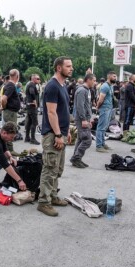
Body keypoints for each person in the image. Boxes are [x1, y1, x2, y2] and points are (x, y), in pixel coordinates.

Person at [37, 56, 73, 217]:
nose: (71, 68)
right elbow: (51, 112)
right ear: (59, 68)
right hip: (53, 135)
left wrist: (67, 132)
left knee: (57, 169)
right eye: (68, 66)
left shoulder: (62, 85)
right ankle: (44, 202)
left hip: (61, 134)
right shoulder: (52, 86)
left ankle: (52, 195)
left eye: (71, 66)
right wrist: (58, 134)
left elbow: (62, 112)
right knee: (50, 169)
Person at [70, 73, 95, 168]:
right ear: (88, 80)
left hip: (85, 118)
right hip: (81, 119)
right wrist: (84, 119)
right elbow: (80, 106)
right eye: (93, 80)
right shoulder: (81, 90)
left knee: (81, 139)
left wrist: (90, 118)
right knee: (87, 140)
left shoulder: (86, 90)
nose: (94, 82)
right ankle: (76, 158)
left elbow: (86, 105)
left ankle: (76, 158)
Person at [0, 69, 21, 154]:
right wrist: (4, 107)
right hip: (10, 112)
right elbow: (3, 98)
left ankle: (7, 149)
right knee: (11, 130)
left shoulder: (9, 85)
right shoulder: (11, 85)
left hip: (10, 111)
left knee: (9, 129)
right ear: (17, 76)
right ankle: (10, 150)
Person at [95, 71, 116, 152]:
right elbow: (100, 99)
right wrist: (97, 107)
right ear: (109, 77)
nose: (115, 78)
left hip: (109, 108)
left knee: (104, 127)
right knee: (101, 127)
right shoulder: (105, 86)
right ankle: (99, 146)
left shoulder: (111, 86)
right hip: (104, 109)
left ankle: (103, 144)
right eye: (114, 76)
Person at [24, 74, 40, 145]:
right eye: (37, 78)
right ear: (33, 79)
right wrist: (34, 101)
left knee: (29, 122)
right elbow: (32, 92)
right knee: (34, 122)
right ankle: (32, 139)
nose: (39, 80)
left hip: (30, 106)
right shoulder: (31, 85)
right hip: (32, 106)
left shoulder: (30, 84)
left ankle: (27, 137)